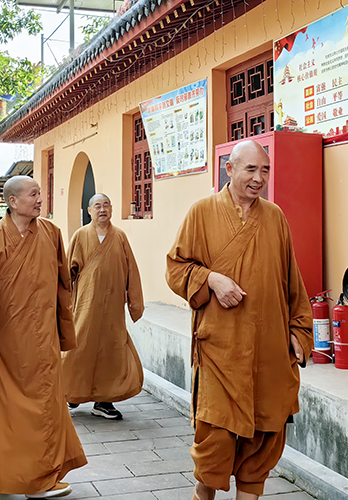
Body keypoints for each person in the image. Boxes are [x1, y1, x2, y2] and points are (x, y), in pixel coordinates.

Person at [165, 140, 313, 500]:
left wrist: (299, 330)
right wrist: (211, 280)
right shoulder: (201, 212)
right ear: (229, 170)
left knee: (263, 436)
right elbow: (176, 268)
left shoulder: (275, 216)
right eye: (251, 169)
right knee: (214, 438)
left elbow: (291, 280)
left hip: (268, 348)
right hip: (220, 347)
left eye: (265, 170)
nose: (259, 178)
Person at [0, 176, 86, 498]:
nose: (40, 199)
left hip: (45, 335)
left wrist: (65, 327)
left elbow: (61, 285)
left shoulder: (51, 233)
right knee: (7, 409)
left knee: (46, 407)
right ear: (13, 201)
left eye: (40, 193)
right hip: (9, 336)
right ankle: (5, 475)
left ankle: (39, 478)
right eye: (34, 194)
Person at [62, 194, 144, 420]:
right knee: (78, 347)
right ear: (89, 211)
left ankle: (104, 401)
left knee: (110, 352)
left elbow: (132, 272)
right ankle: (72, 392)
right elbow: (68, 272)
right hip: (85, 306)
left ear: (112, 209)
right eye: (97, 206)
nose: (102, 210)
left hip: (112, 307)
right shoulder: (80, 235)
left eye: (106, 205)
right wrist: (62, 304)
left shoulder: (120, 237)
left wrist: (135, 303)